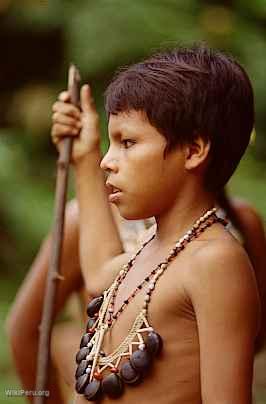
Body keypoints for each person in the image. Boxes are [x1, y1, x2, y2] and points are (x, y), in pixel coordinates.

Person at [6, 45, 265, 403]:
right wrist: (84, 157)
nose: (107, 162)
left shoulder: (214, 262)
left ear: (193, 151)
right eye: (110, 144)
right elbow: (98, 274)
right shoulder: (154, 248)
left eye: (127, 143)